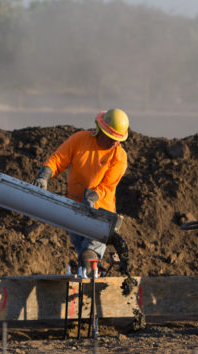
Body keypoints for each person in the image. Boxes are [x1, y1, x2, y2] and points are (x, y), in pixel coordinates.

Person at [33, 109, 129, 274]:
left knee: (89, 254)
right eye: (112, 138)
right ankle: (91, 276)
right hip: (75, 209)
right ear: (100, 130)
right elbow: (58, 159)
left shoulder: (119, 157)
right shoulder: (80, 140)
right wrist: (44, 175)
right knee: (82, 253)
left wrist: (93, 195)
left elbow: (107, 186)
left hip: (101, 215)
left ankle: (91, 277)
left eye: (118, 139)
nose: (115, 143)